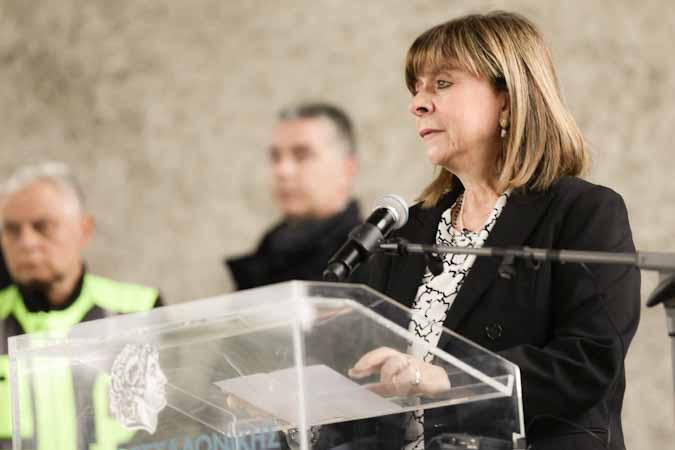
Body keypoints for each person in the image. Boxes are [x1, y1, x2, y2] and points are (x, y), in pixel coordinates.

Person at [347, 11, 640, 450]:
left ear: (508, 99)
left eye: (441, 83)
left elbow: (588, 361)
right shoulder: (407, 231)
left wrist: (451, 379)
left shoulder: (583, 213)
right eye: (416, 89)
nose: (417, 104)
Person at [0, 162, 162, 450]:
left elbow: (176, 423)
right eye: (12, 230)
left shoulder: (139, 311)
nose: (27, 242)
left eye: (42, 226)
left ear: (84, 230)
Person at [225, 102, 363, 289]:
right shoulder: (268, 252)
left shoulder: (369, 263)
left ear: (347, 168)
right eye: (275, 157)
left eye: (302, 155)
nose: (283, 171)